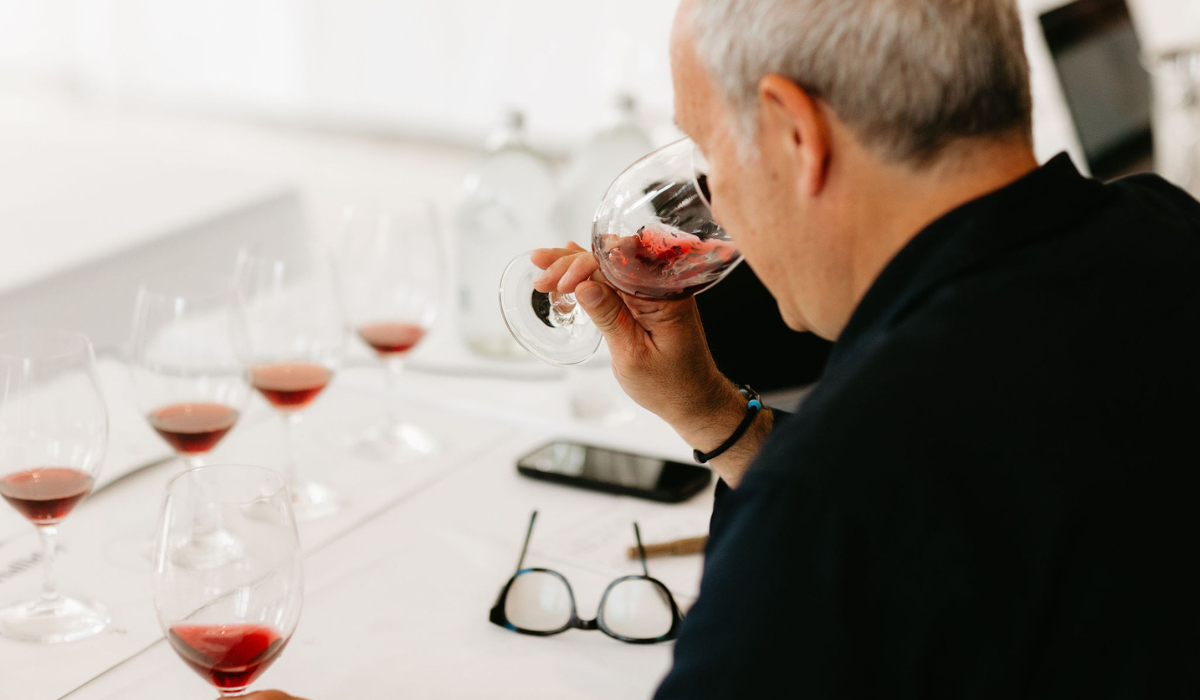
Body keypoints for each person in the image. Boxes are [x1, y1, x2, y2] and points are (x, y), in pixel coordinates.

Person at [243, 0, 1200, 697]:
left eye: (708, 152)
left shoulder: (838, 498)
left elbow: (879, 509)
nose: (716, 204)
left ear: (794, 132)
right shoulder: (1168, 232)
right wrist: (713, 415)